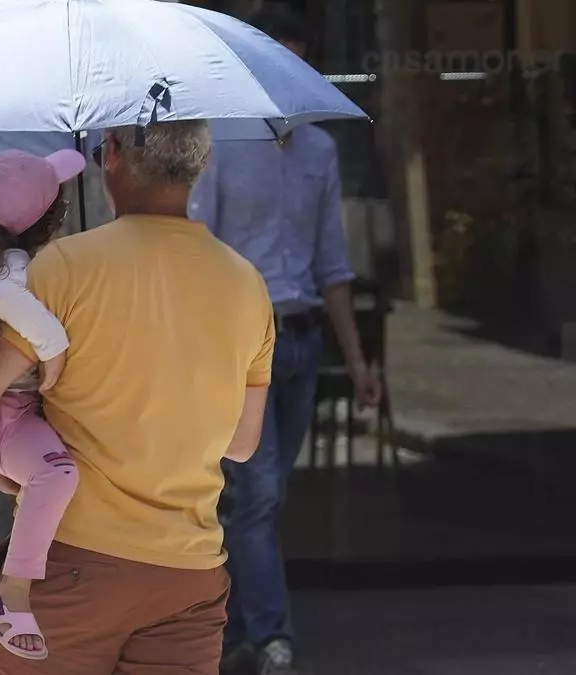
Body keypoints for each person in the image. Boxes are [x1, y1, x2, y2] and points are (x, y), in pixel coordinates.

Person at [0, 119, 276, 675]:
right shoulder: (248, 285)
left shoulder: (62, 268)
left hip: (74, 565)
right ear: (202, 163)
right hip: (188, 579)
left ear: (113, 153)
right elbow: (241, 443)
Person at [188, 8, 383, 675]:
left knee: (260, 496)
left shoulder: (320, 153)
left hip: (302, 341)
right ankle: (274, 638)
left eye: (296, 66)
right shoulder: (218, 147)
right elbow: (199, 253)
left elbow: (333, 266)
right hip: (241, 343)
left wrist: (357, 362)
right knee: (260, 492)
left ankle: (235, 630)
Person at [0, 149, 87, 660]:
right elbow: (6, 299)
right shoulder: (11, 269)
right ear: (50, 220)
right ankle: (13, 592)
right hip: (9, 417)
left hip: (16, 412)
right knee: (56, 474)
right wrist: (54, 347)